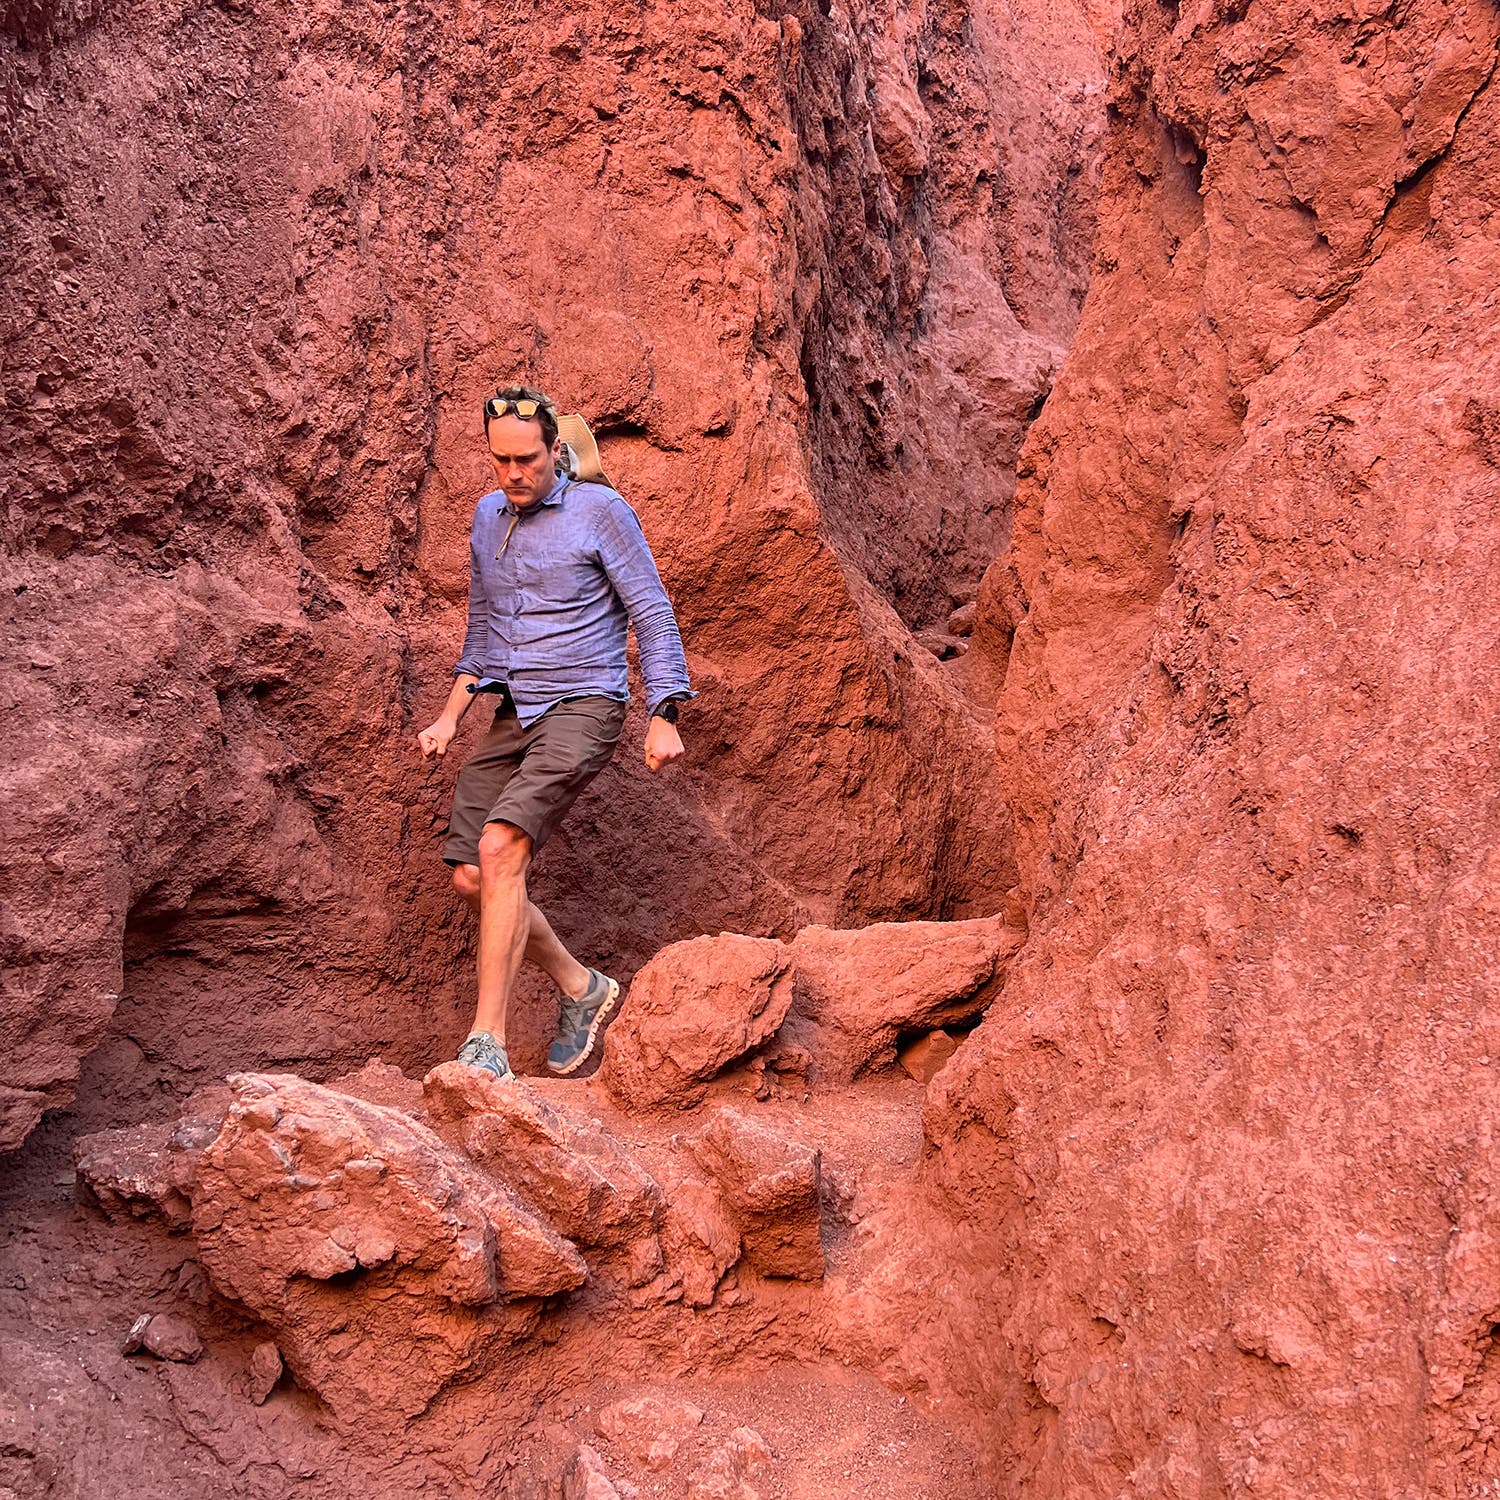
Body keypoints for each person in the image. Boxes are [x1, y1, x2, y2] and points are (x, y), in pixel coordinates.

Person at [417, 386, 693, 1082]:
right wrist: (451, 714)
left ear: (557, 453)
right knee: (472, 875)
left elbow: (653, 614)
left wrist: (663, 711)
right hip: (518, 708)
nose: (514, 474)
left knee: (501, 843)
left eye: (528, 460)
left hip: (587, 704)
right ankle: (583, 987)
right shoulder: (488, 518)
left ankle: (486, 1045)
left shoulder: (601, 511)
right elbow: (482, 631)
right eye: (500, 460)